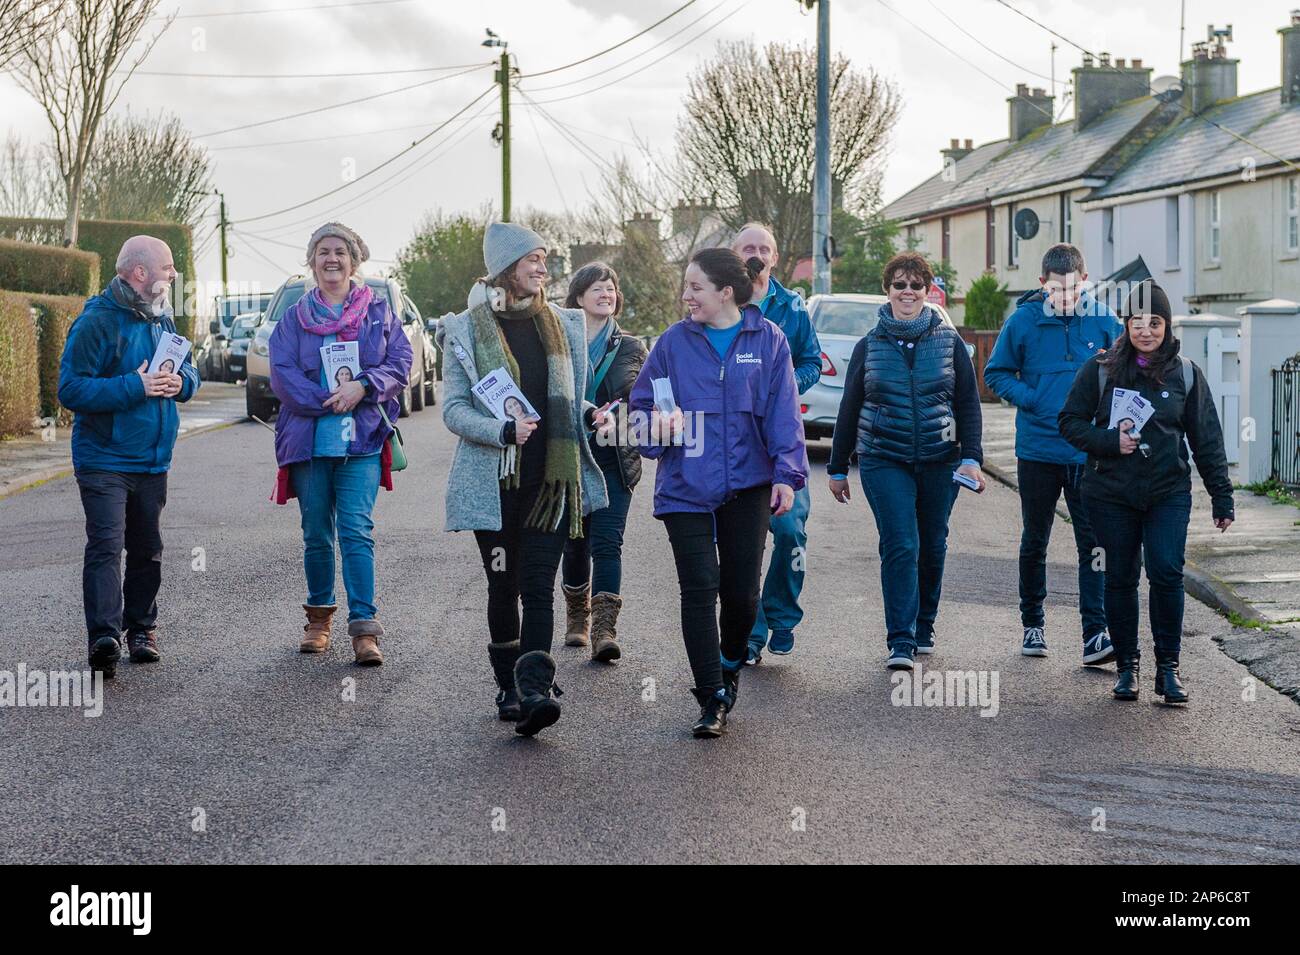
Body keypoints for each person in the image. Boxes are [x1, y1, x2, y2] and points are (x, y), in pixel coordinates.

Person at [437, 222, 613, 736]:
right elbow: (452, 410)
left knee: (539, 585)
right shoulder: (466, 330)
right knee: (503, 584)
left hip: (552, 483)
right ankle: (508, 687)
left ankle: (535, 689)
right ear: (506, 267)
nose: (543, 268)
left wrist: (587, 414)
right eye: (533, 259)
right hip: (495, 485)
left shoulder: (563, 323)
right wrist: (501, 430)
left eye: (544, 258)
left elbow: (565, 395)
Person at [629, 248, 807, 738]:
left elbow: (784, 414)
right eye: (686, 287)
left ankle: (728, 667)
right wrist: (656, 427)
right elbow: (639, 410)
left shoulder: (767, 339)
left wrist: (786, 476)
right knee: (699, 587)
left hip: (748, 486)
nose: (686, 296)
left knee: (742, 596)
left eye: (695, 287)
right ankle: (711, 695)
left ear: (725, 292)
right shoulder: (672, 344)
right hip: (685, 486)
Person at [1059, 280, 1233, 704]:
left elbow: (1206, 438)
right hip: (1110, 493)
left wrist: (1221, 496)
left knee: (1167, 574)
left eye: (1154, 321)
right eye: (1137, 321)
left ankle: (1168, 669)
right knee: (1120, 578)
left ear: (1167, 325)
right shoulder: (1101, 368)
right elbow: (1069, 422)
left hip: (1167, 492)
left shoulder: (1187, 373)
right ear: (1126, 325)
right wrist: (1108, 441)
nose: (1146, 330)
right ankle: (1127, 668)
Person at [827, 251, 984, 671]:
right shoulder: (870, 345)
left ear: (928, 291)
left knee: (933, 545)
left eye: (916, 285)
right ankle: (900, 639)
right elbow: (850, 406)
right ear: (888, 290)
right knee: (900, 544)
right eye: (900, 284)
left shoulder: (949, 343)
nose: (908, 292)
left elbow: (968, 403)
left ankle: (924, 623)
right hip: (883, 459)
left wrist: (971, 457)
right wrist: (838, 467)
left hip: (940, 459)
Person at [269, 222, 412, 667]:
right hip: (309, 444)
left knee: (356, 531)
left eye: (340, 253)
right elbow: (282, 373)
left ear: (354, 261)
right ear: (311, 262)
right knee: (316, 533)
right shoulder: (293, 319)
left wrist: (363, 387)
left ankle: (364, 629)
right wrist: (329, 399)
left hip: (363, 440)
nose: (331, 259)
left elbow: (401, 361)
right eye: (322, 252)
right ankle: (318, 620)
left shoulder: (378, 313)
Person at [58, 235, 200, 677]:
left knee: (148, 548)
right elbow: (70, 389)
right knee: (106, 544)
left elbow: (189, 369)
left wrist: (184, 384)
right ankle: (104, 637)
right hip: (103, 458)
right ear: (140, 273)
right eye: (168, 268)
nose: (173, 275)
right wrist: (134, 386)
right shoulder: (96, 322)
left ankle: (141, 629)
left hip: (152, 459)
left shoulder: (164, 320)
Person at [984, 243, 1121, 663]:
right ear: (1042, 283)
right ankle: (1033, 625)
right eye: (1056, 289)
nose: (1065, 297)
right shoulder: (1023, 321)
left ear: (1085, 281)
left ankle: (1095, 634)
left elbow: (1126, 372)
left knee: (1093, 544)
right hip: (1038, 450)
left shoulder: (1103, 320)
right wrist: (1035, 399)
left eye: (1073, 289)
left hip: (1087, 453)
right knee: (1035, 539)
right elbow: (996, 373)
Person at [731, 224, 821, 665]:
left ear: (775, 258)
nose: (757, 254)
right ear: (734, 255)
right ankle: (747, 634)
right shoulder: (721, 299)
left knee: (790, 532)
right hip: (736, 446)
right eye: (749, 247)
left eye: (764, 248)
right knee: (739, 544)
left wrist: (786, 385)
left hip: (784, 442)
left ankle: (779, 616)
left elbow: (812, 362)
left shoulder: (792, 308)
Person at [559, 262, 648, 662]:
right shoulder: (560, 342)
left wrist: (621, 417)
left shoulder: (632, 347)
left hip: (614, 456)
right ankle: (577, 615)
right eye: (597, 287)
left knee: (607, 543)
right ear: (578, 296)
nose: (606, 294)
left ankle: (604, 630)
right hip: (570, 458)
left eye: (611, 288)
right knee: (575, 543)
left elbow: (645, 402)